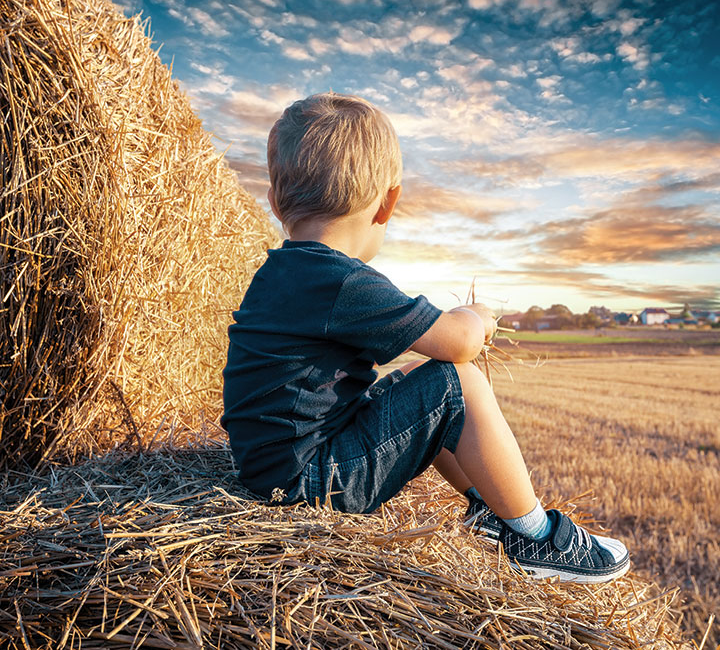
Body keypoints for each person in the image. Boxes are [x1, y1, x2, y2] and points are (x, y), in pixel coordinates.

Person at [222, 92, 629, 583]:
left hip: (274, 471)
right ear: (388, 203)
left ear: (273, 200)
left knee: (417, 383)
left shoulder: (283, 273)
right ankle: (536, 539)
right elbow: (457, 343)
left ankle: (488, 511)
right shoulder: (340, 281)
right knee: (456, 383)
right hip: (307, 484)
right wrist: (477, 315)